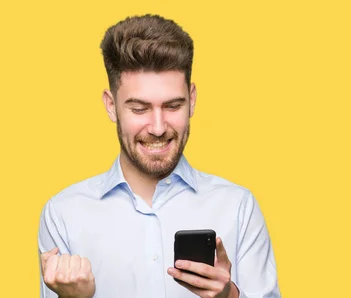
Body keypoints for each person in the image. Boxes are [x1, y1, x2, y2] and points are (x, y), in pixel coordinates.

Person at [37, 14, 281, 298]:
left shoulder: (239, 208)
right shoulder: (63, 215)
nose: (157, 127)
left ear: (192, 100)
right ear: (111, 106)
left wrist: (229, 296)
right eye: (139, 109)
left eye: (173, 106)